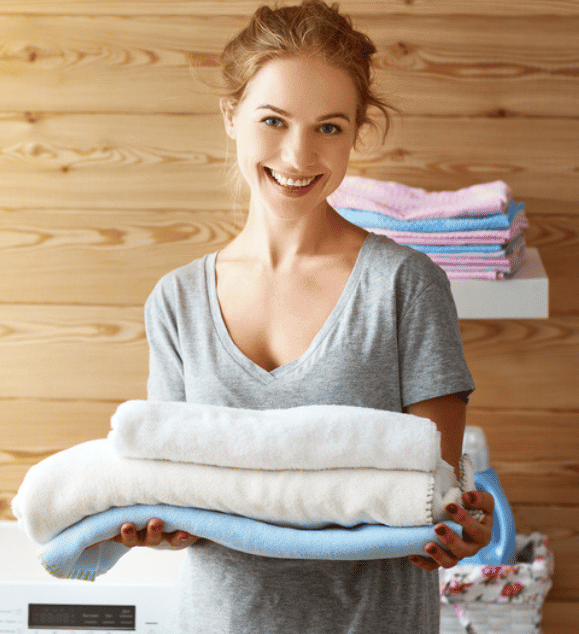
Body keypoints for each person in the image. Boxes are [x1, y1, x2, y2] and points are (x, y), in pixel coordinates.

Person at [106, 2, 495, 632]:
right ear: (231, 117)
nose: (297, 154)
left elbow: (438, 490)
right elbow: (173, 488)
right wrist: (165, 524)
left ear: (357, 132)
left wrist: (459, 527)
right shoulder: (176, 302)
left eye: (329, 128)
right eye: (273, 120)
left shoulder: (404, 286)